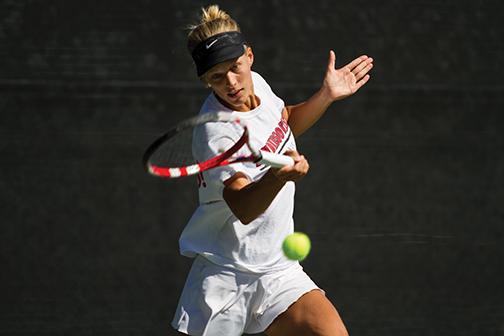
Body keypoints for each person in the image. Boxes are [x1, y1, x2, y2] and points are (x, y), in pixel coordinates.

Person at [172, 4, 373, 336]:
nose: (232, 83)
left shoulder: (259, 86)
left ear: (249, 56)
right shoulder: (216, 131)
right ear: (206, 81)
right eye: (217, 78)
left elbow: (286, 122)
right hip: (225, 277)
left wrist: (326, 96)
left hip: (278, 271)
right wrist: (279, 177)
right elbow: (242, 205)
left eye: (236, 67)